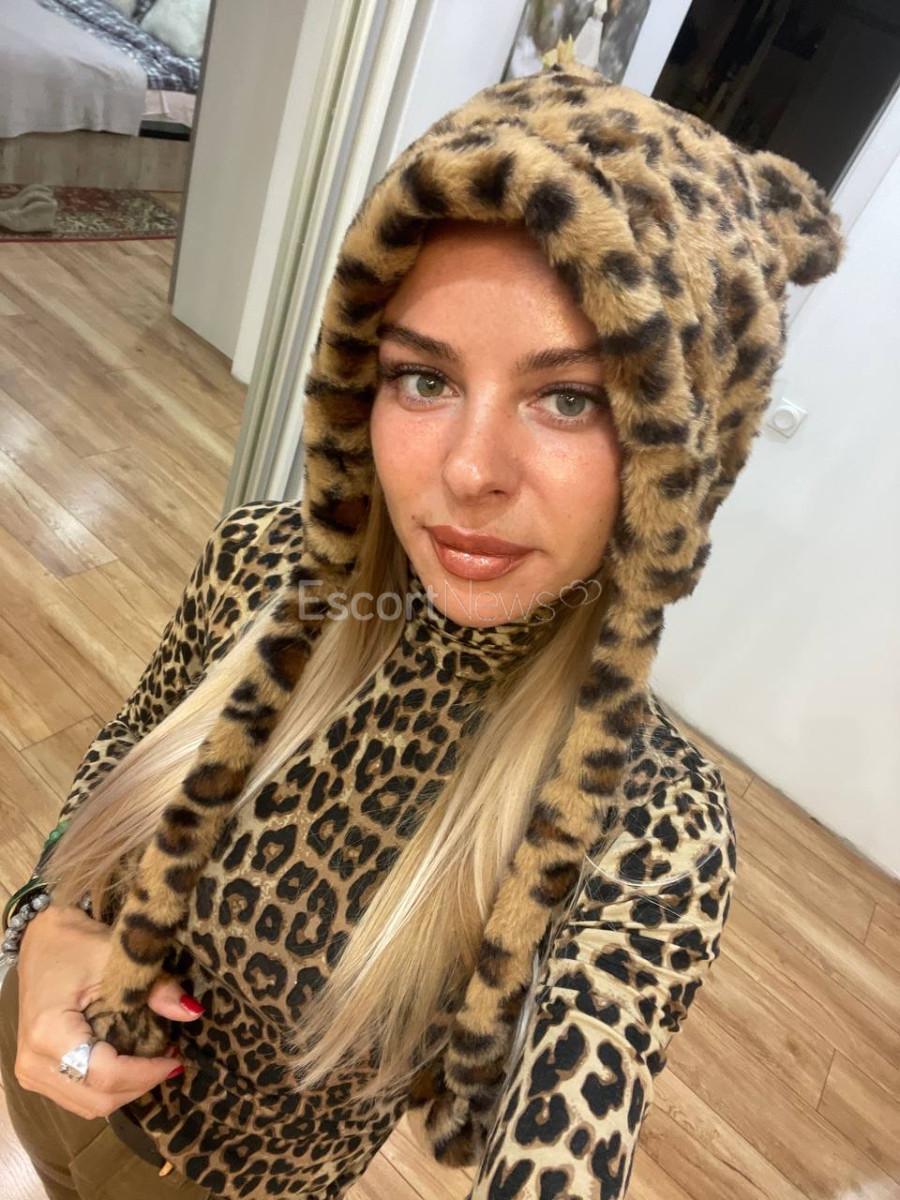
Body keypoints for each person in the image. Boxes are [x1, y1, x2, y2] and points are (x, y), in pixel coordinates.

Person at [0, 58, 842, 1200]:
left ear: (681, 454)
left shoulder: (644, 816)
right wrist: (38, 926)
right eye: (423, 379)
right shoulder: (258, 562)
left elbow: (578, 1102)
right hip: (27, 1065)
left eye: (570, 398)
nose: (469, 471)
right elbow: (119, 754)